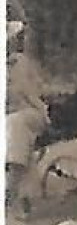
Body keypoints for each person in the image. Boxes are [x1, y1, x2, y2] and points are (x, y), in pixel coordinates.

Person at [6, 21, 49, 211]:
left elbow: (38, 90)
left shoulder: (22, 63)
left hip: (31, 114)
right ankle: (23, 194)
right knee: (14, 130)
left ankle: (12, 189)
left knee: (16, 124)